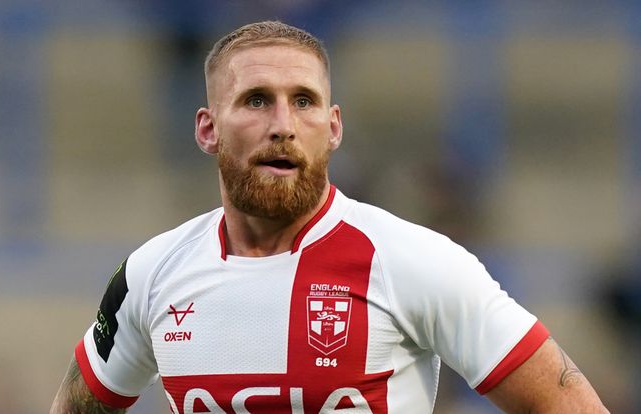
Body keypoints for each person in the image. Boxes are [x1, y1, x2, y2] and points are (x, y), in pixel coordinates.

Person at [50, 21, 608, 413]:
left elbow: (563, 403)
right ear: (207, 129)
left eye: (304, 101)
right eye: (256, 100)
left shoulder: (415, 261)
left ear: (334, 127)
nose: (284, 124)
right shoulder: (151, 276)